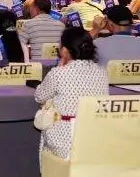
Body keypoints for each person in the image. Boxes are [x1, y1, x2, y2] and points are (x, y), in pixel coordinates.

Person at [34, 27, 110, 159]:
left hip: (64, 143)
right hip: (95, 139)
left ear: (64, 51)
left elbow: (39, 97)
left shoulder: (58, 73)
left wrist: (60, 66)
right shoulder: (102, 72)